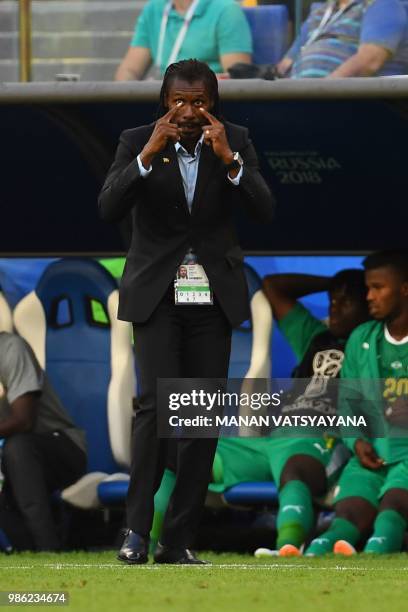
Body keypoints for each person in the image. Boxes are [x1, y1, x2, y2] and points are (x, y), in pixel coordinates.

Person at [98, 58, 275, 564]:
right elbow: (108, 207)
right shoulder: (137, 140)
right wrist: (148, 157)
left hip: (211, 298)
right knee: (155, 408)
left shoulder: (235, 139)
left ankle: (176, 540)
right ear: (164, 103)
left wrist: (232, 162)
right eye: (180, 101)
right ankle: (135, 533)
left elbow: (265, 210)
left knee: (199, 417)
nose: (190, 111)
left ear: (214, 103)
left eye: (200, 102)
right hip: (158, 296)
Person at [148, 269, 370, 556]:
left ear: (368, 303)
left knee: (295, 470)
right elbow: (273, 286)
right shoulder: (316, 337)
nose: (335, 307)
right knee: (180, 456)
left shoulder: (375, 345)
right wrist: (336, 282)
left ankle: (287, 548)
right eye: (332, 300)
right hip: (268, 439)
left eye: (346, 300)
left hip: (319, 440)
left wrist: (353, 283)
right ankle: (147, 542)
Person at [305, 251, 408, 556]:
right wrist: (356, 441)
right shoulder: (361, 337)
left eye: (378, 288)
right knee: (348, 516)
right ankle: (314, 556)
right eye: (367, 288)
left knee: (394, 507)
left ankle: (378, 553)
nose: (369, 296)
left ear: (405, 289)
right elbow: (349, 403)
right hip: (371, 454)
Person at [0, 331, 87, 552]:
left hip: (62, 444)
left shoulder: (11, 349)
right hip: (13, 454)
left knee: (18, 448)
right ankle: (26, 551)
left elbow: (23, 421)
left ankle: (48, 549)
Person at [115, 0, 252, 81]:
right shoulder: (154, 8)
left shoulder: (226, 10)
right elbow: (129, 70)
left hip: (204, 105)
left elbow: (236, 78)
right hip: (163, 103)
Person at [276, 0, 408, 79]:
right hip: (304, 101)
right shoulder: (320, 12)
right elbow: (285, 66)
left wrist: (319, 92)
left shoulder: (384, 4)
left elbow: (369, 61)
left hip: (357, 106)